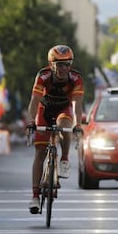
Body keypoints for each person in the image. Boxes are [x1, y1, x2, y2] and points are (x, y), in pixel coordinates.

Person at [26, 44, 84, 214]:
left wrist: (78, 125)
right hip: (45, 109)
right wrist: (31, 121)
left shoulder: (76, 78)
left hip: (63, 110)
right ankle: (35, 196)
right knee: (40, 152)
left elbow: (77, 104)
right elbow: (35, 101)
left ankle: (64, 159)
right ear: (51, 65)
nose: (63, 68)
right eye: (59, 64)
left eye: (67, 64)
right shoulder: (43, 76)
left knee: (64, 127)